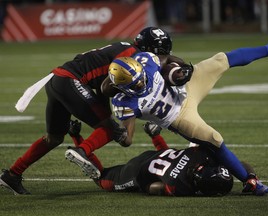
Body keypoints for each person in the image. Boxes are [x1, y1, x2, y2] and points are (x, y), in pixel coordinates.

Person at [97, 24, 268, 196]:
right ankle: (251, 182)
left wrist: (181, 69)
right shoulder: (124, 103)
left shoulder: (146, 60)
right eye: (135, 85)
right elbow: (128, 139)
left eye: (141, 78)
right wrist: (120, 135)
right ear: (122, 88)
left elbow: (167, 59)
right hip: (178, 116)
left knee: (220, 60)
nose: (141, 83)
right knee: (214, 139)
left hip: (186, 89)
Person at [0, 27, 180, 195]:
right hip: (72, 81)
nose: (162, 57)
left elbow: (102, 88)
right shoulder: (133, 56)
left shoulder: (127, 50)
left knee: (53, 138)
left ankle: (12, 174)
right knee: (111, 129)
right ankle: (82, 151)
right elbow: (104, 87)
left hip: (58, 80)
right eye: (162, 52)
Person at [70, 120, 235, 196]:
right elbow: (153, 187)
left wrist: (249, 176)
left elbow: (242, 165)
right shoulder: (180, 187)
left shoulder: (200, 155)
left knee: (171, 159)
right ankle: (76, 137)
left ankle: (155, 134)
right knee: (102, 180)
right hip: (135, 173)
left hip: (154, 155)